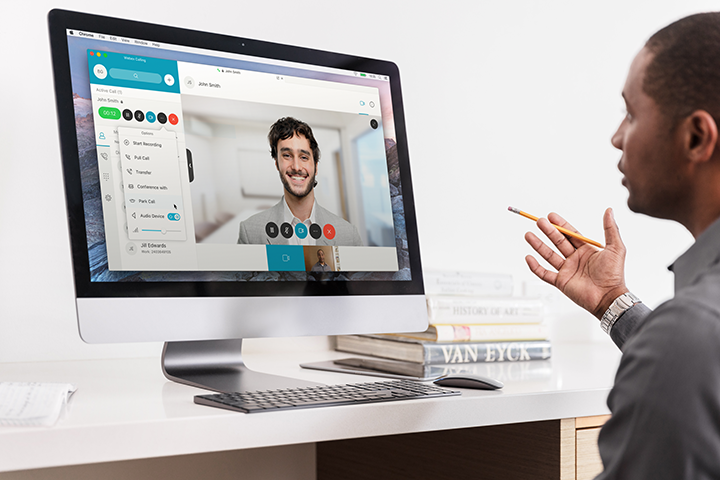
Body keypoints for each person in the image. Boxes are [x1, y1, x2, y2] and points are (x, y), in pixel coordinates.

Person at [523, 13, 720, 479]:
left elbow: (689, 352)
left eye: (631, 113)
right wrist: (614, 301)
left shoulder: (688, 338)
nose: (616, 137)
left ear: (696, 137)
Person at [237, 117, 362, 246]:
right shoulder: (250, 233)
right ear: (277, 164)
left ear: (316, 167)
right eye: (287, 155)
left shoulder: (349, 235)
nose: (296, 167)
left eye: (304, 157)